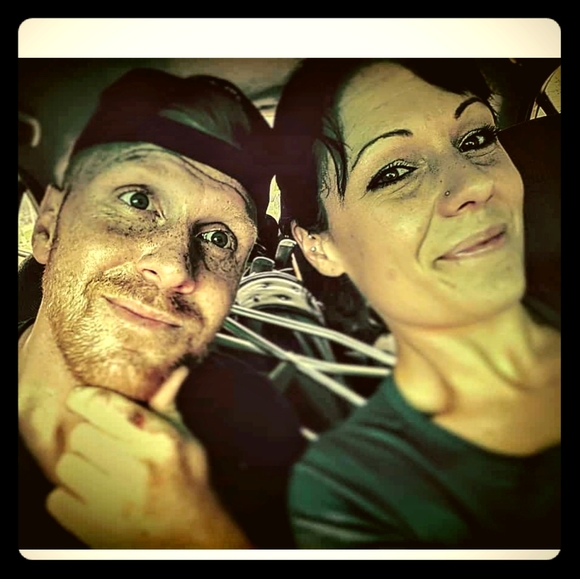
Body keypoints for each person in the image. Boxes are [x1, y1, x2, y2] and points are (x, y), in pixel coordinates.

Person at [273, 58, 561, 549]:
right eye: (394, 172)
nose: (474, 184)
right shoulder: (355, 492)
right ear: (320, 247)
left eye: (476, 138)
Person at [18, 67, 306, 550]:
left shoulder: (256, 420)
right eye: (137, 200)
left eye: (219, 238)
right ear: (48, 225)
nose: (175, 268)